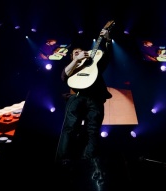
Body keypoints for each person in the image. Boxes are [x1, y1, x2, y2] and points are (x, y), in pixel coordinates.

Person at [55, 28, 112, 184]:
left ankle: (89, 159)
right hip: (76, 97)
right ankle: (64, 159)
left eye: (81, 52)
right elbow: (63, 76)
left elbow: (108, 56)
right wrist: (76, 59)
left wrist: (107, 40)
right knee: (70, 126)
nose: (78, 54)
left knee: (93, 129)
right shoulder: (73, 67)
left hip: (95, 99)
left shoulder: (94, 65)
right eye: (75, 53)